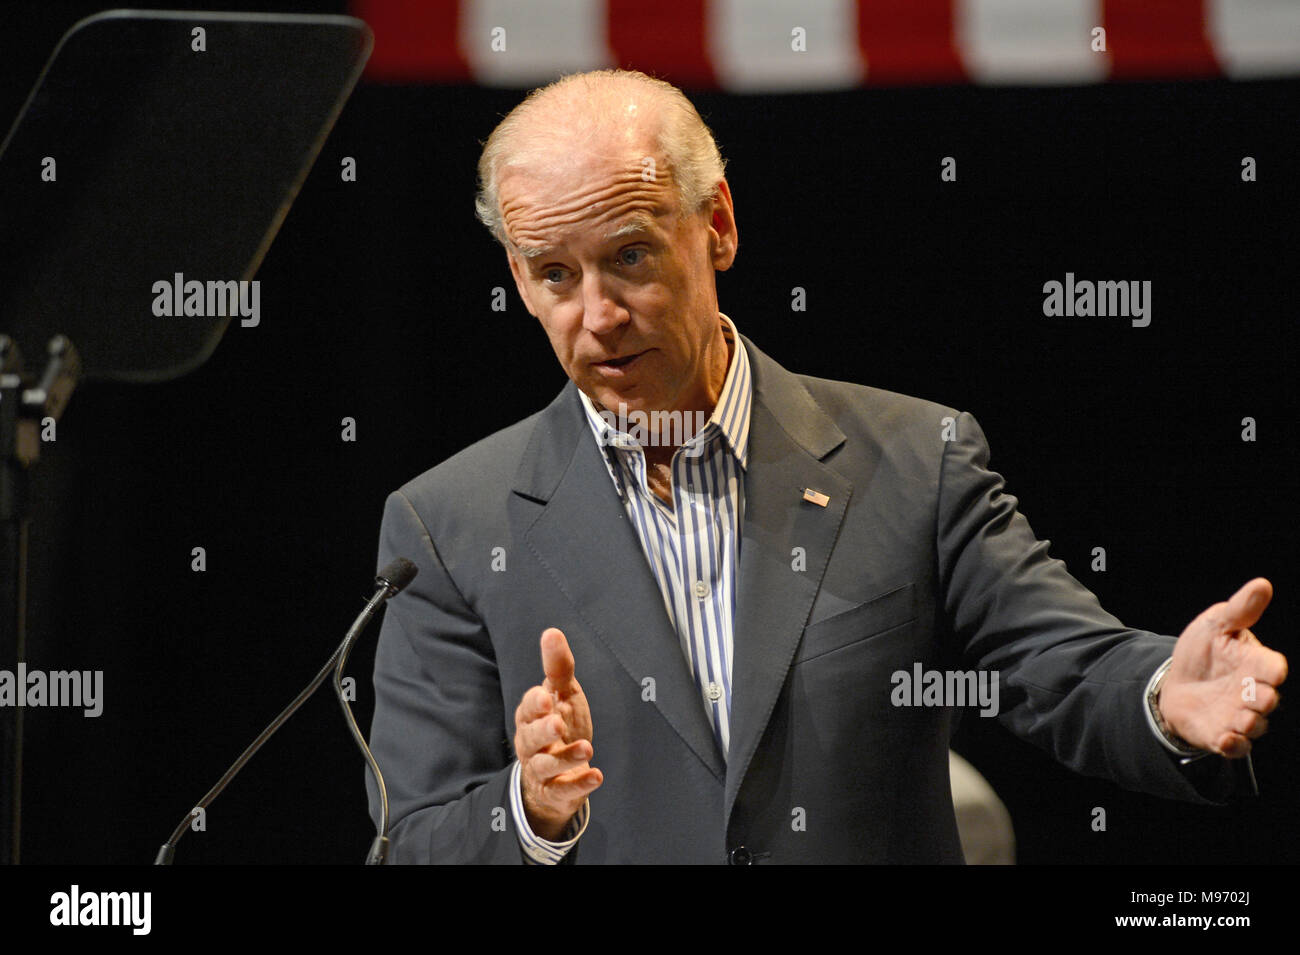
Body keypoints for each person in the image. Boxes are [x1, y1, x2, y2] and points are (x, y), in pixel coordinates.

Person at [365, 69, 1287, 864]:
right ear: (518, 279)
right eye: (555, 274)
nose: (597, 314)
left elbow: (1066, 668)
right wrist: (532, 809)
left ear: (716, 224)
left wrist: (1167, 695)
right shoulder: (447, 528)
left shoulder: (914, 463)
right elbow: (411, 841)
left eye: (630, 255)